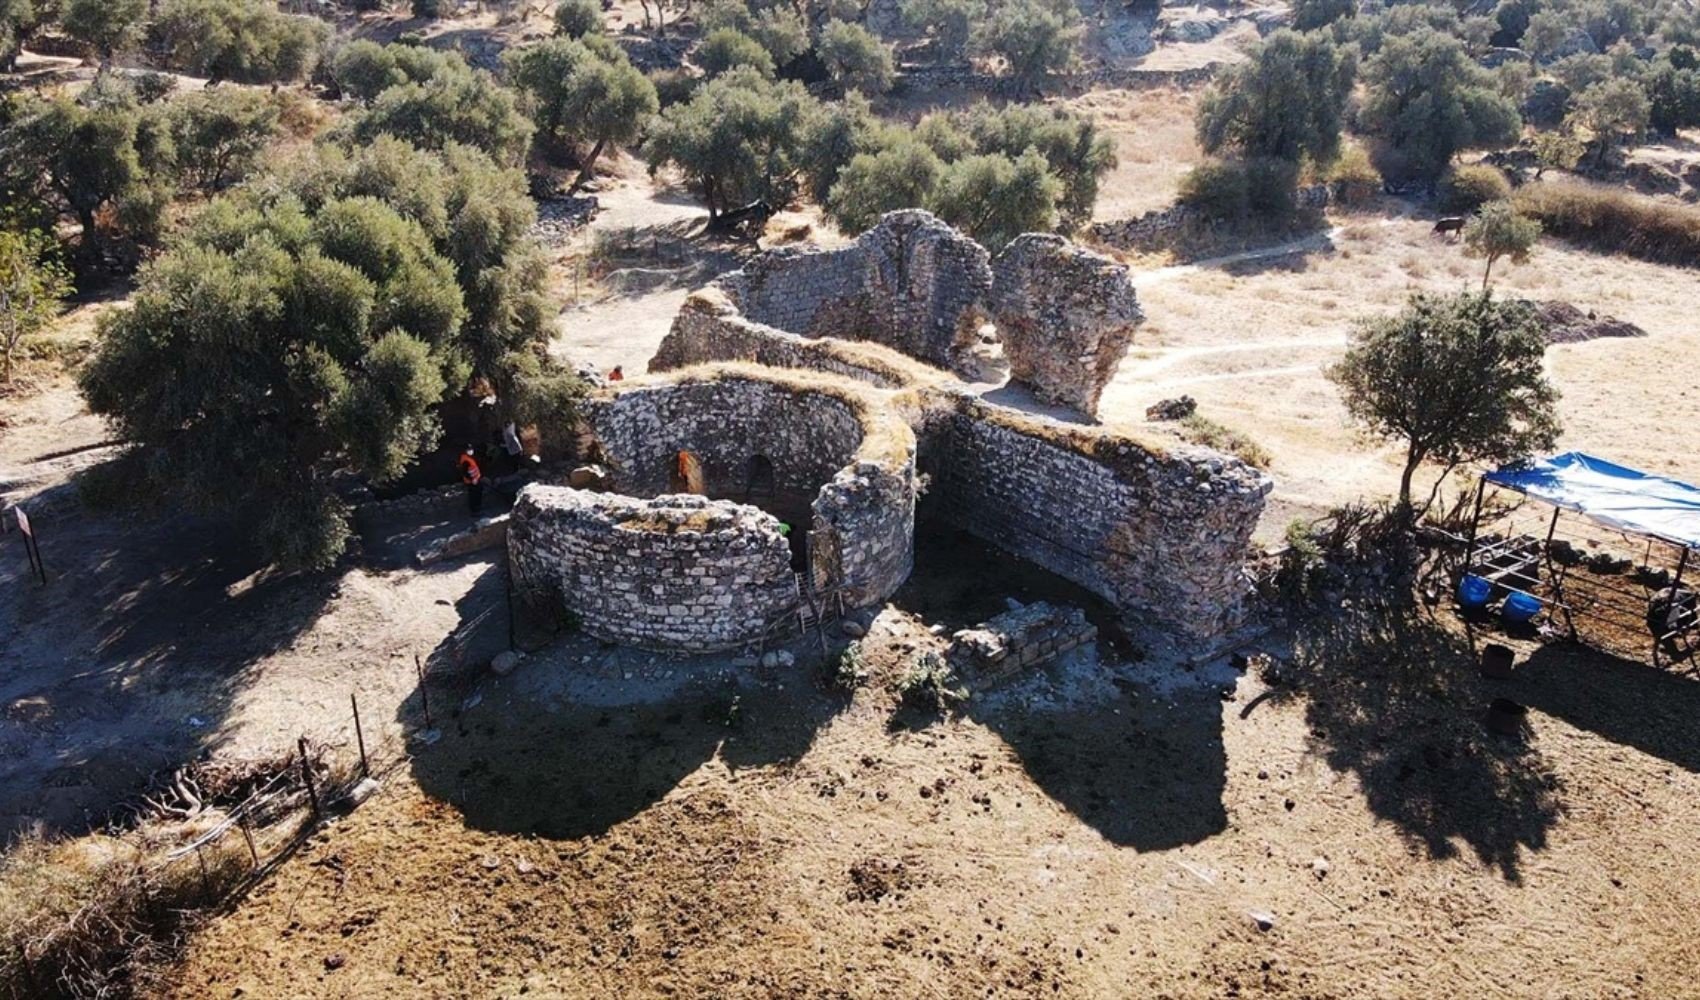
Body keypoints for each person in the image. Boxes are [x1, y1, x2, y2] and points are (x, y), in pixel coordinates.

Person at [458, 446, 483, 517]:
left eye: (471, 449)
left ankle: (478, 509)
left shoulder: (469, 458)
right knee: (474, 496)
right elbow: (464, 472)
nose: (471, 451)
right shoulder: (465, 460)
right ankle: (475, 511)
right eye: (469, 450)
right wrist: (472, 480)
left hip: (476, 479)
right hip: (472, 482)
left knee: (478, 494)